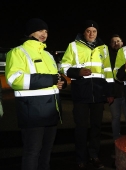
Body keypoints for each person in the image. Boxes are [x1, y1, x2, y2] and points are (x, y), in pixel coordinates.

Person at [5, 18, 66, 170]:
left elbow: (55, 76)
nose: (44, 34)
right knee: (32, 152)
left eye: (46, 31)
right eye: (40, 30)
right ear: (30, 32)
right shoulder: (17, 52)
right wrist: (50, 79)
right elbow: (14, 79)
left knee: (46, 151)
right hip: (32, 112)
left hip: (51, 111)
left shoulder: (48, 55)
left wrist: (61, 81)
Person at [60, 20, 114, 169]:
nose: (91, 34)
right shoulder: (73, 46)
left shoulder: (103, 48)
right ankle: (81, 158)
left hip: (98, 94)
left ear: (97, 33)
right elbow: (63, 66)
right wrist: (77, 72)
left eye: (94, 31)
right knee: (81, 128)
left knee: (96, 127)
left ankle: (94, 155)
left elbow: (108, 71)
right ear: (84, 32)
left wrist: (109, 93)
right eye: (88, 31)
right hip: (81, 93)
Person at [108, 34, 126, 141]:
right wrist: (109, 93)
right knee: (115, 118)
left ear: (122, 42)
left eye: (118, 41)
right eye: (113, 42)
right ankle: (117, 141)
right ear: (110, 44)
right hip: (114, 94)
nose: (116, 43)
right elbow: (107, 77)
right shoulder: (108, 58)